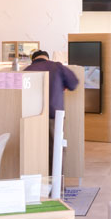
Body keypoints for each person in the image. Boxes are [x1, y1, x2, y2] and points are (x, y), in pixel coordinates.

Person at [24, 49, 81, 188]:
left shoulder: (27, 70)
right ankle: (56, 187)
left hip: (30, 118)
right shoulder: (57, 67)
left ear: (33, 59)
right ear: (47, 58)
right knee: (56, 151)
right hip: (54, 116)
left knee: (33, 151)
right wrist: (63, 85)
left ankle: (37, 187)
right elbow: (73, 84)